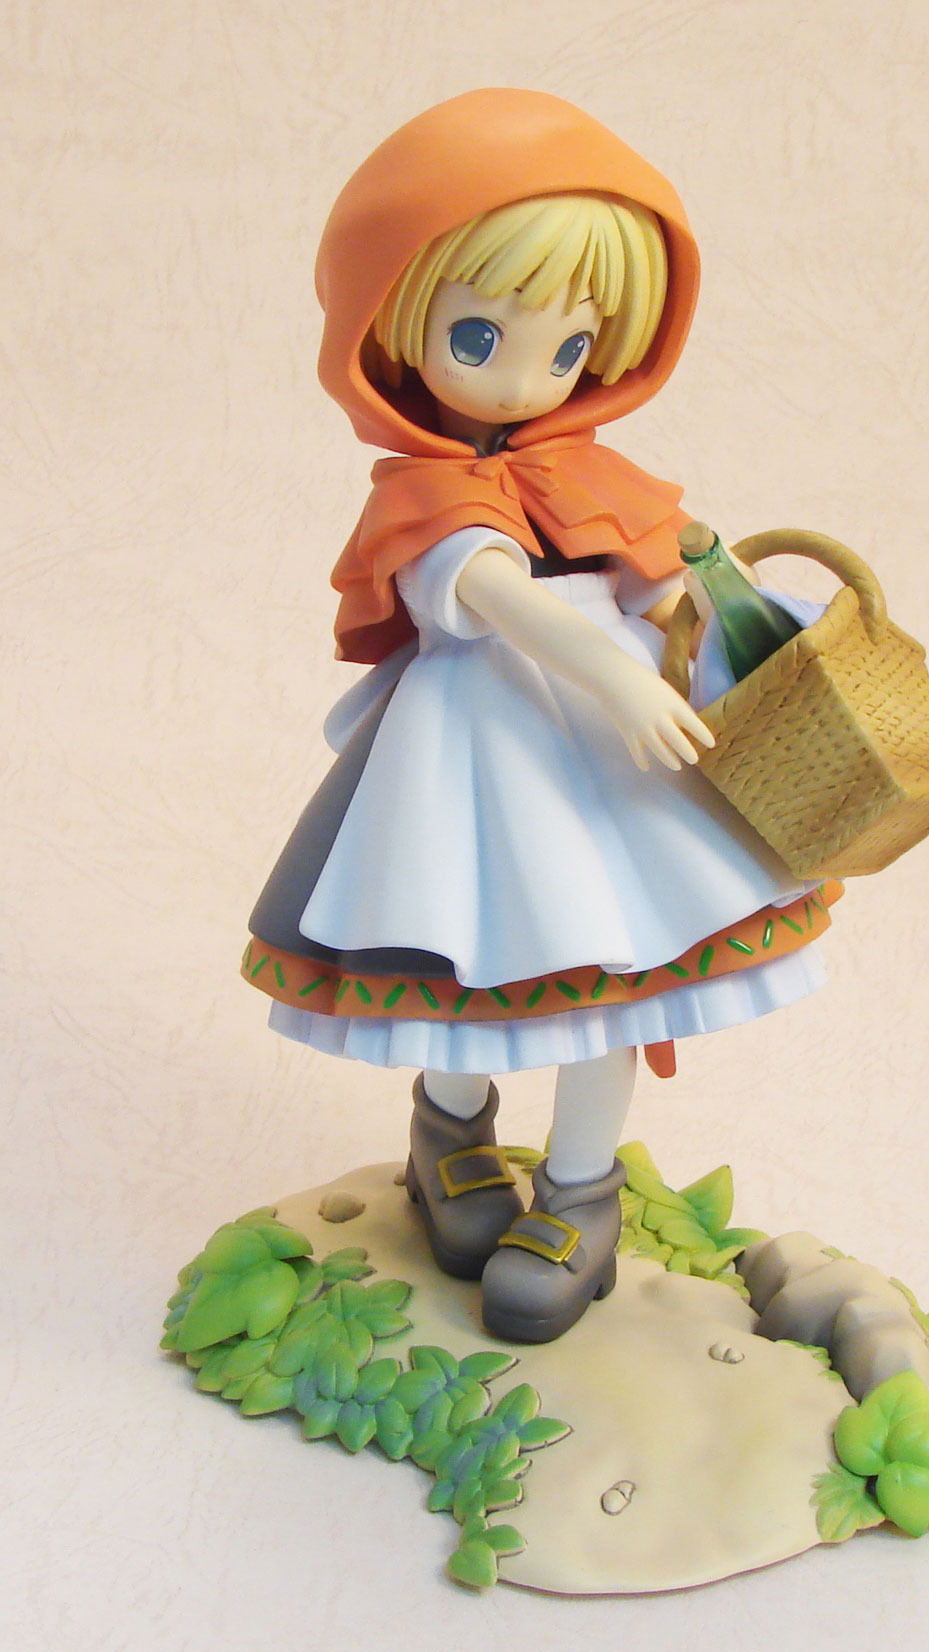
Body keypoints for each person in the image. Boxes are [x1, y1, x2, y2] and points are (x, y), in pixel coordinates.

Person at [242, 88, 841, 1343]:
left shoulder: (588, 472)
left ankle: (579, 1191)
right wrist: (618, 678)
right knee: (450, 948)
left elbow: (656, 570)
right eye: (479, 336)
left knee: (617, 971)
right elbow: (499, 596)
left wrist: (728, 612)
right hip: (474, 761)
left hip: (617, 768)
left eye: (567, 349)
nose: (525, 378)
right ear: (390, 323)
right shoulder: (421, 498)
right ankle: (451, 1131)